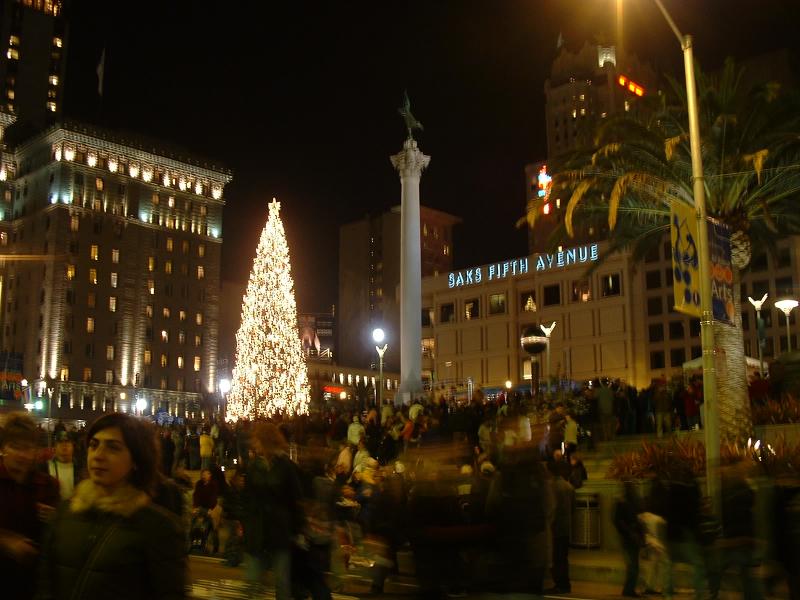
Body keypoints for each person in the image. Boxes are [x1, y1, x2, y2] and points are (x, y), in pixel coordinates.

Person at [38, 412, 185, 599]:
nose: (98, 455)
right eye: (94, 445)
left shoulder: (158, 527)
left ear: (136, 460)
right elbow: (45, 584)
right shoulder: (65, 513)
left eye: (113, 448)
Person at [0, 412, 60, 600]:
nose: (21, 454)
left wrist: (56, 518)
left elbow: (58, 538)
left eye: (27, 448)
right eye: (15, 446)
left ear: (36, 451)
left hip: (34, 584)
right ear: (3, 448)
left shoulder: (48, 485)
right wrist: (5, 541)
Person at [242, 422, 305, 600]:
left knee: (282, 582)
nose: (254, 444)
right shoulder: (254, 466)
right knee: (253, 583)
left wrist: (297, 529)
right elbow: (248, 497)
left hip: (280, 531)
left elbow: (295, 499)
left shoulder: (286, 466)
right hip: (258, 530)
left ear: (265, 441)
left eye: (257, 440)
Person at [614, 481, 645, 598]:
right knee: (633, 565)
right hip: (630, 536)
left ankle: (629, 589)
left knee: (633, 564)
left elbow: (618, 520)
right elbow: (619, 521)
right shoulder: (626, 502)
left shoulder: (624, 501)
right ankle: (629, 589)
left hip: (631, 536)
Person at [48, 430, 83, 499]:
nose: (64, 445)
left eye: (68, 442)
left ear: (73, 447)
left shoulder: (80, 467)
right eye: (60, 442)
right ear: (54, 447)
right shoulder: (45, 467)